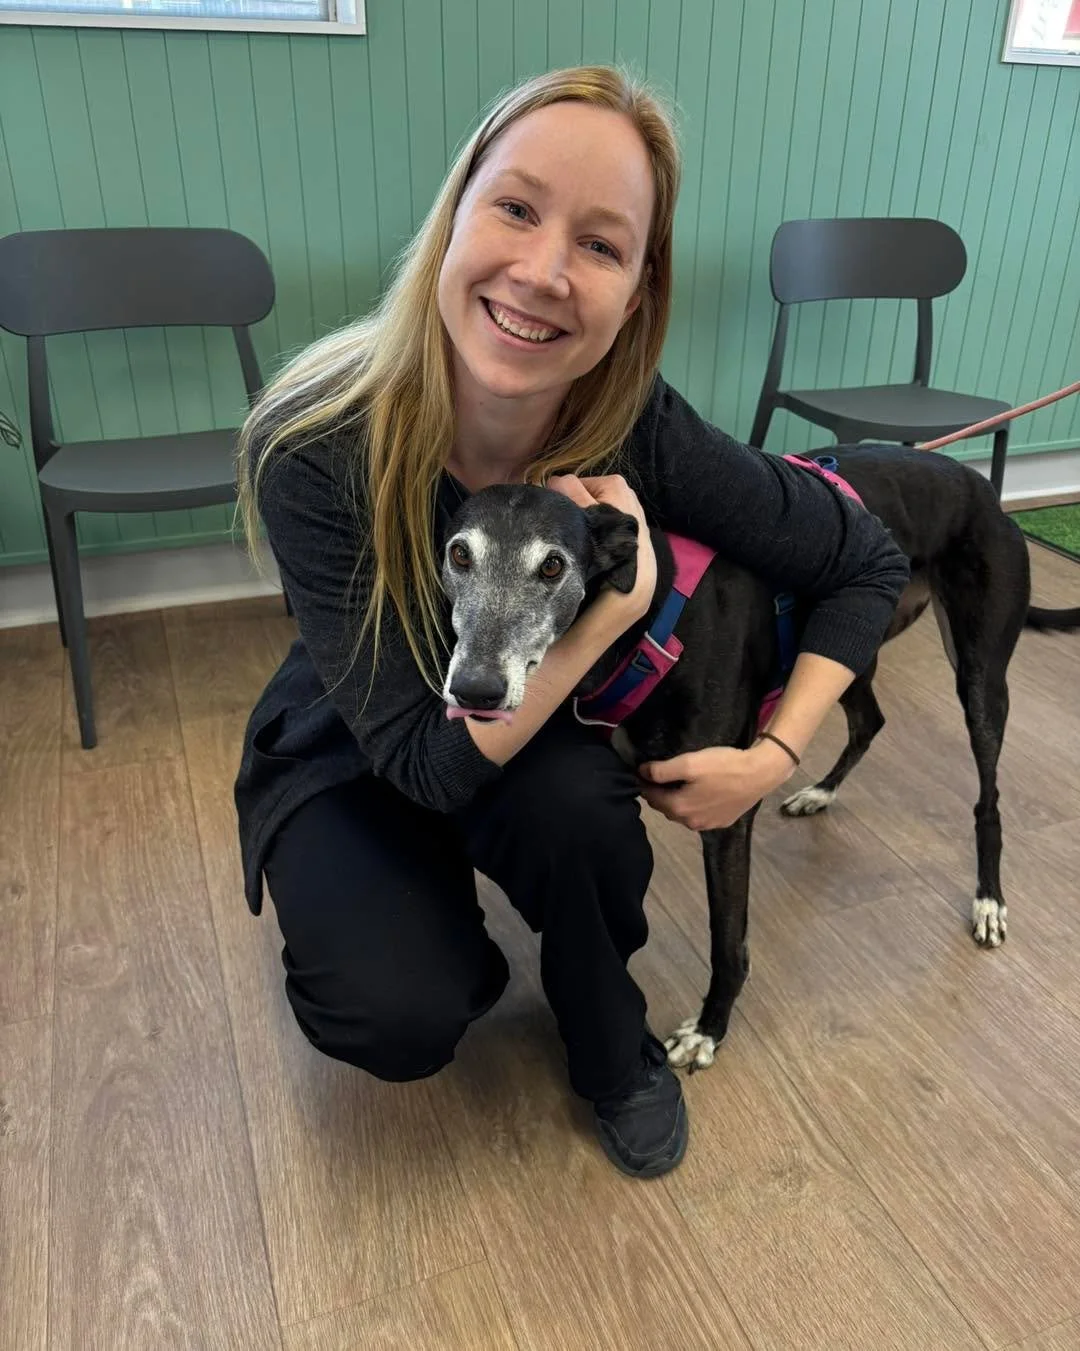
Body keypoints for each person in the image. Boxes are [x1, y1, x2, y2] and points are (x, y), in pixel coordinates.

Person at [234, 65, 909, 1179]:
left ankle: (611, 1050)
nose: (544, 272)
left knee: (583, 817)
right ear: (454, 217)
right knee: (393, 1013)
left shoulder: (635, 426)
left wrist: (776, 752)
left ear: (639, 291)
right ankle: (442, 938)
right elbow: (422, 759)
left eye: (601, 245)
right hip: (368, 730)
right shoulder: (312, 442)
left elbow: (863, 560)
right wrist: (616, 615)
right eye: (516, 207)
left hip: (528, 735)